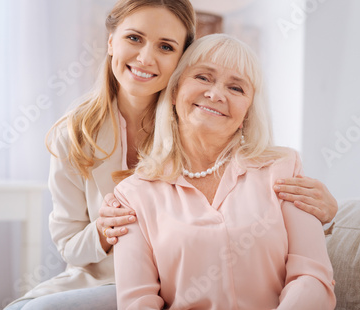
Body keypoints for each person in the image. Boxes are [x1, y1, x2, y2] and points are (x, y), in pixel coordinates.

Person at [6, 0, 337, 310]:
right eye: (134, 38)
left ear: (181, 60)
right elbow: (69, 244)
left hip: (171, 279)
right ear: (111, 41)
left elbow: (253, 191)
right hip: (104, 279)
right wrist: (104, 231)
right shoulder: (75, 134)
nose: (146, 57)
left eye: (166, 47)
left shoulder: (197, 116)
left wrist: (329, 212)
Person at [113, 34, 336, 309]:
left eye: (236, 88)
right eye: (204, 78)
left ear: (248, 113)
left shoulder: (283, 168)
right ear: (174, 91)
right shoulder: (133, 195)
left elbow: (312, 277)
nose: (216, 94)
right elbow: (137, 302)